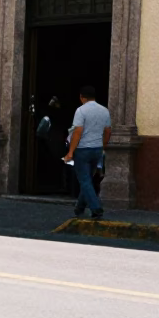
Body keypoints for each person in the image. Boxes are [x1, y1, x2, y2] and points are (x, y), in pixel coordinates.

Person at [63, 85, 111, 219]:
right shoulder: (104, 111)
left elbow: (77, 131)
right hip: (97, 149)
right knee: (88, 180)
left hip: (83, 149)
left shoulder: (80, 111)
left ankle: (96, 208)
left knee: (84, 180)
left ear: (81, 97)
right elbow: (107, 131)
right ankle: (79, 208)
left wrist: (71, 152)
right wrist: (103, 146)